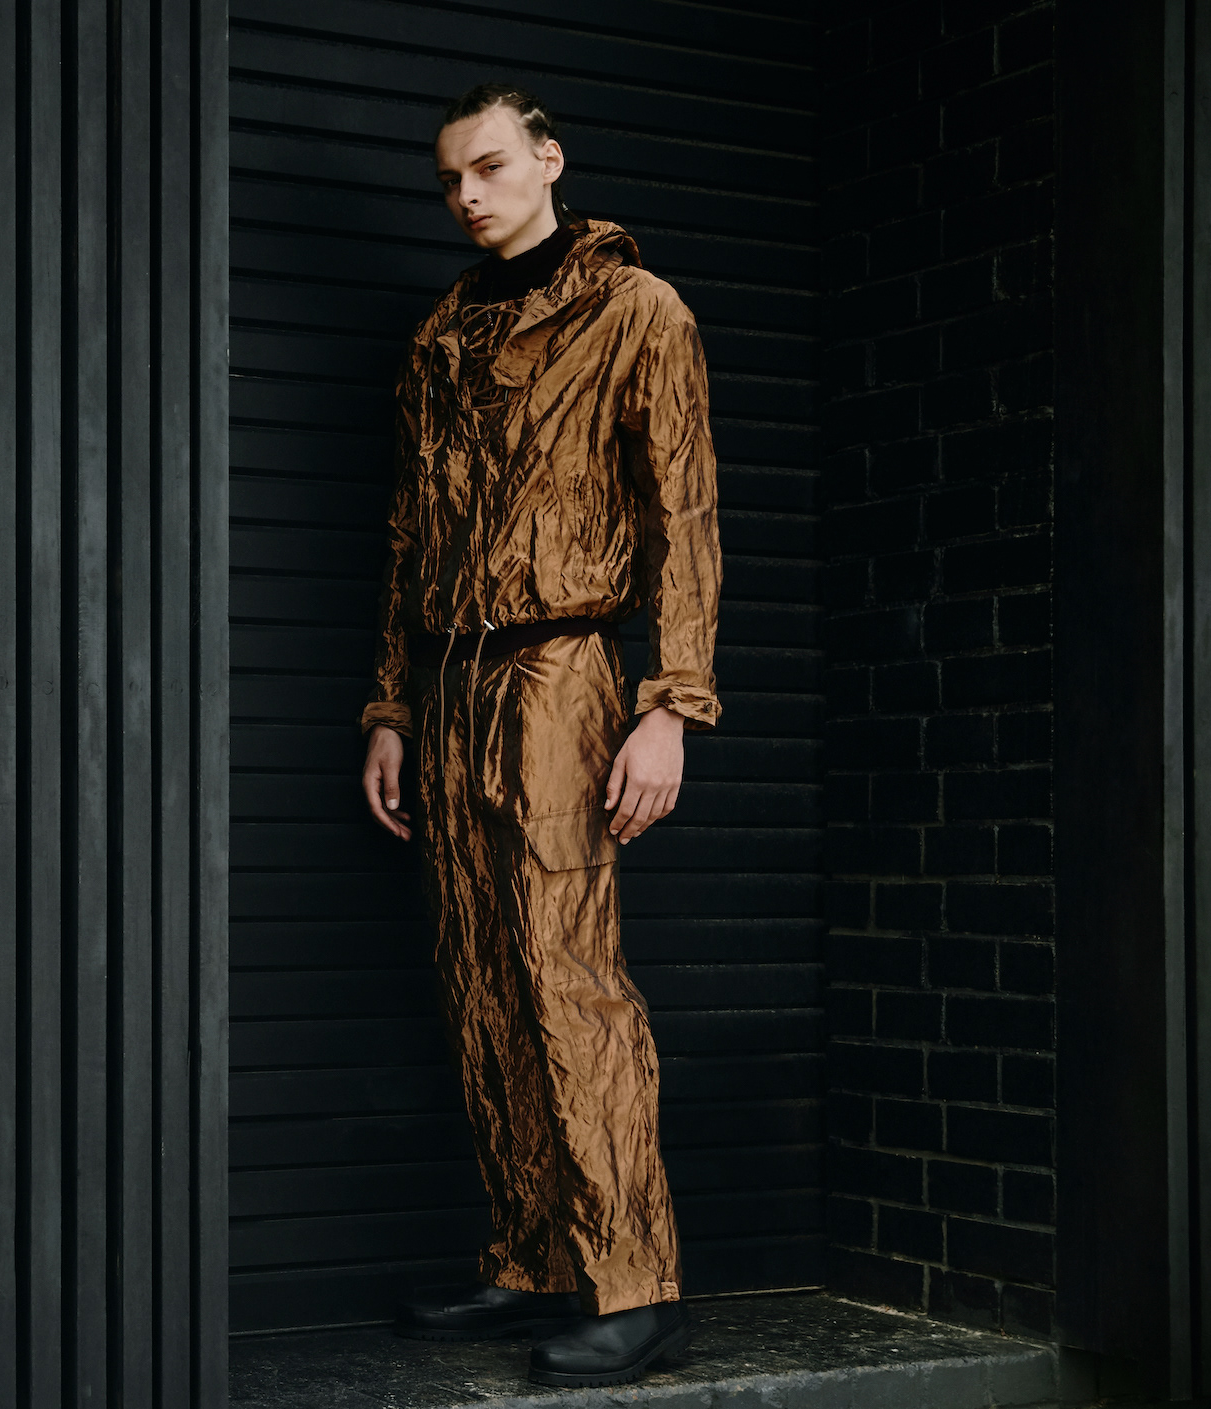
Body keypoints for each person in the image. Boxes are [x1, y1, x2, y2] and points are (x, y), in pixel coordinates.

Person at [358, 83, 719, 1388]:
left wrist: (670, 703)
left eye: (493, 166)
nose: (468, 195)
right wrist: (392, 708)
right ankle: (530, 1259)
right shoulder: (442, 336)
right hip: (449, 687)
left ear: (549, 160)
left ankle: (636, 1287)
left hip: (564, 674)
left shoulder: (635, 310)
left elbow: (684, 512)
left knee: (569, 981)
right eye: (451, 177)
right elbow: (409, 536)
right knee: (480, 982)